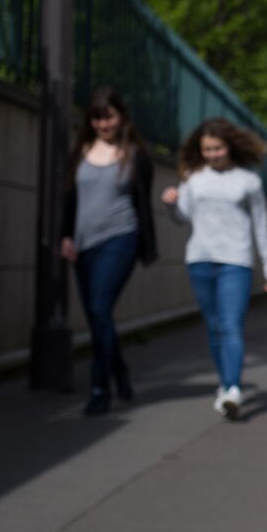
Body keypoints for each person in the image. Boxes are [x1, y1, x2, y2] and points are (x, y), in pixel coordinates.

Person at [162, 118, 267, 419]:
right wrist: (171, 204)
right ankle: (227, 383)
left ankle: (233, 390)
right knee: (214, 328)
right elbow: (182, 217)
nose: (212, 154)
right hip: (199, 259)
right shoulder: (193, 178)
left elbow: (260, 225)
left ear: (229, 147)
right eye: (206, 149)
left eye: (217, 148)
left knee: (230, 325)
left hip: (235, 261)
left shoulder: (248, 180)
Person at [61, 87, 158, 416]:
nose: (103, 123)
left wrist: (147, 247)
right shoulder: (82, 150)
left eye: (109, 116)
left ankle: (99, 387)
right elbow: (70, 198)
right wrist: (65, 236)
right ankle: (120, 372)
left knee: (100, 308)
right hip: (83, 242)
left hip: (121, 238)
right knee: (96, 316)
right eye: (97, 117)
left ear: (121, 117)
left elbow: (143, 203)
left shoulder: (135, 155)